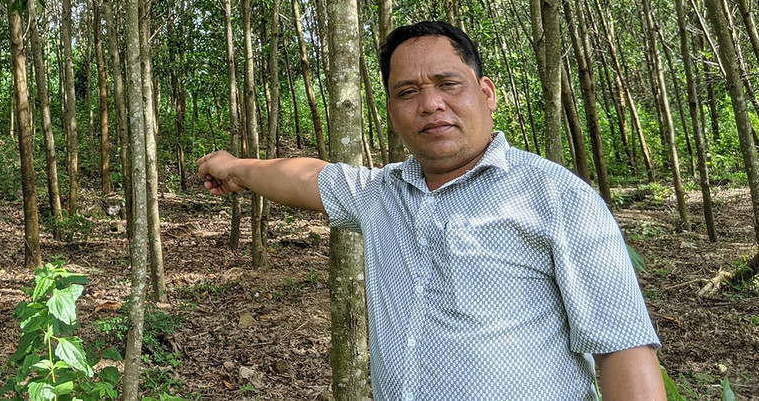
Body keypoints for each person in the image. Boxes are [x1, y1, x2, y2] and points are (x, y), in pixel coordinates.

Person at [197, 21, 665, 401]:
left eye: (448, 84)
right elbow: (304, 176)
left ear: (486, 93)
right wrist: (235, 167)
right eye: (407, 93)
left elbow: (622, 348)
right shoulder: (382, 194)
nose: (431, 104)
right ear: (392, 110)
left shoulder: (555, 196)